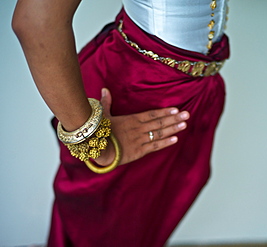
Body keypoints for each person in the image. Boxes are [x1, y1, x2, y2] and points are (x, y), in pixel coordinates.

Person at [12, 0, 230, 246]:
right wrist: (95, 142)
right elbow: (35, 22)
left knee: (151, 217)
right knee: (106, 227)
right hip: (135, 94)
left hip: (194, 91)